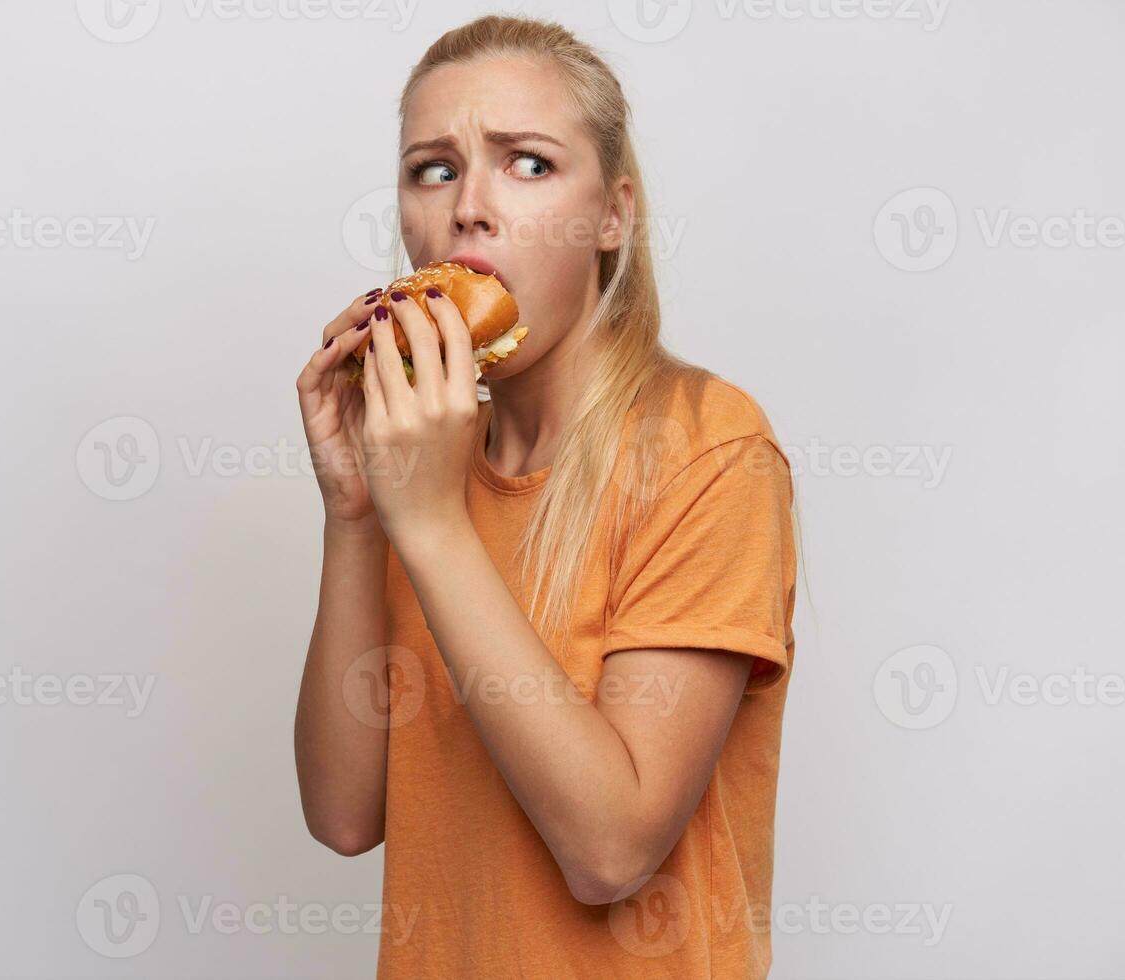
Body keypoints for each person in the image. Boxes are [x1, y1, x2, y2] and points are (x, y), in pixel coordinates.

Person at [293, 14, 800, 978]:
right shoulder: (424, 460)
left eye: (527, 164)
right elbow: (344, 815)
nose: (469, 209)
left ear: (612, 214)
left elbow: (610, 851)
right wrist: (357, 514)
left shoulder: (708, 448)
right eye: (433, 170)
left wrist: (431, 524)